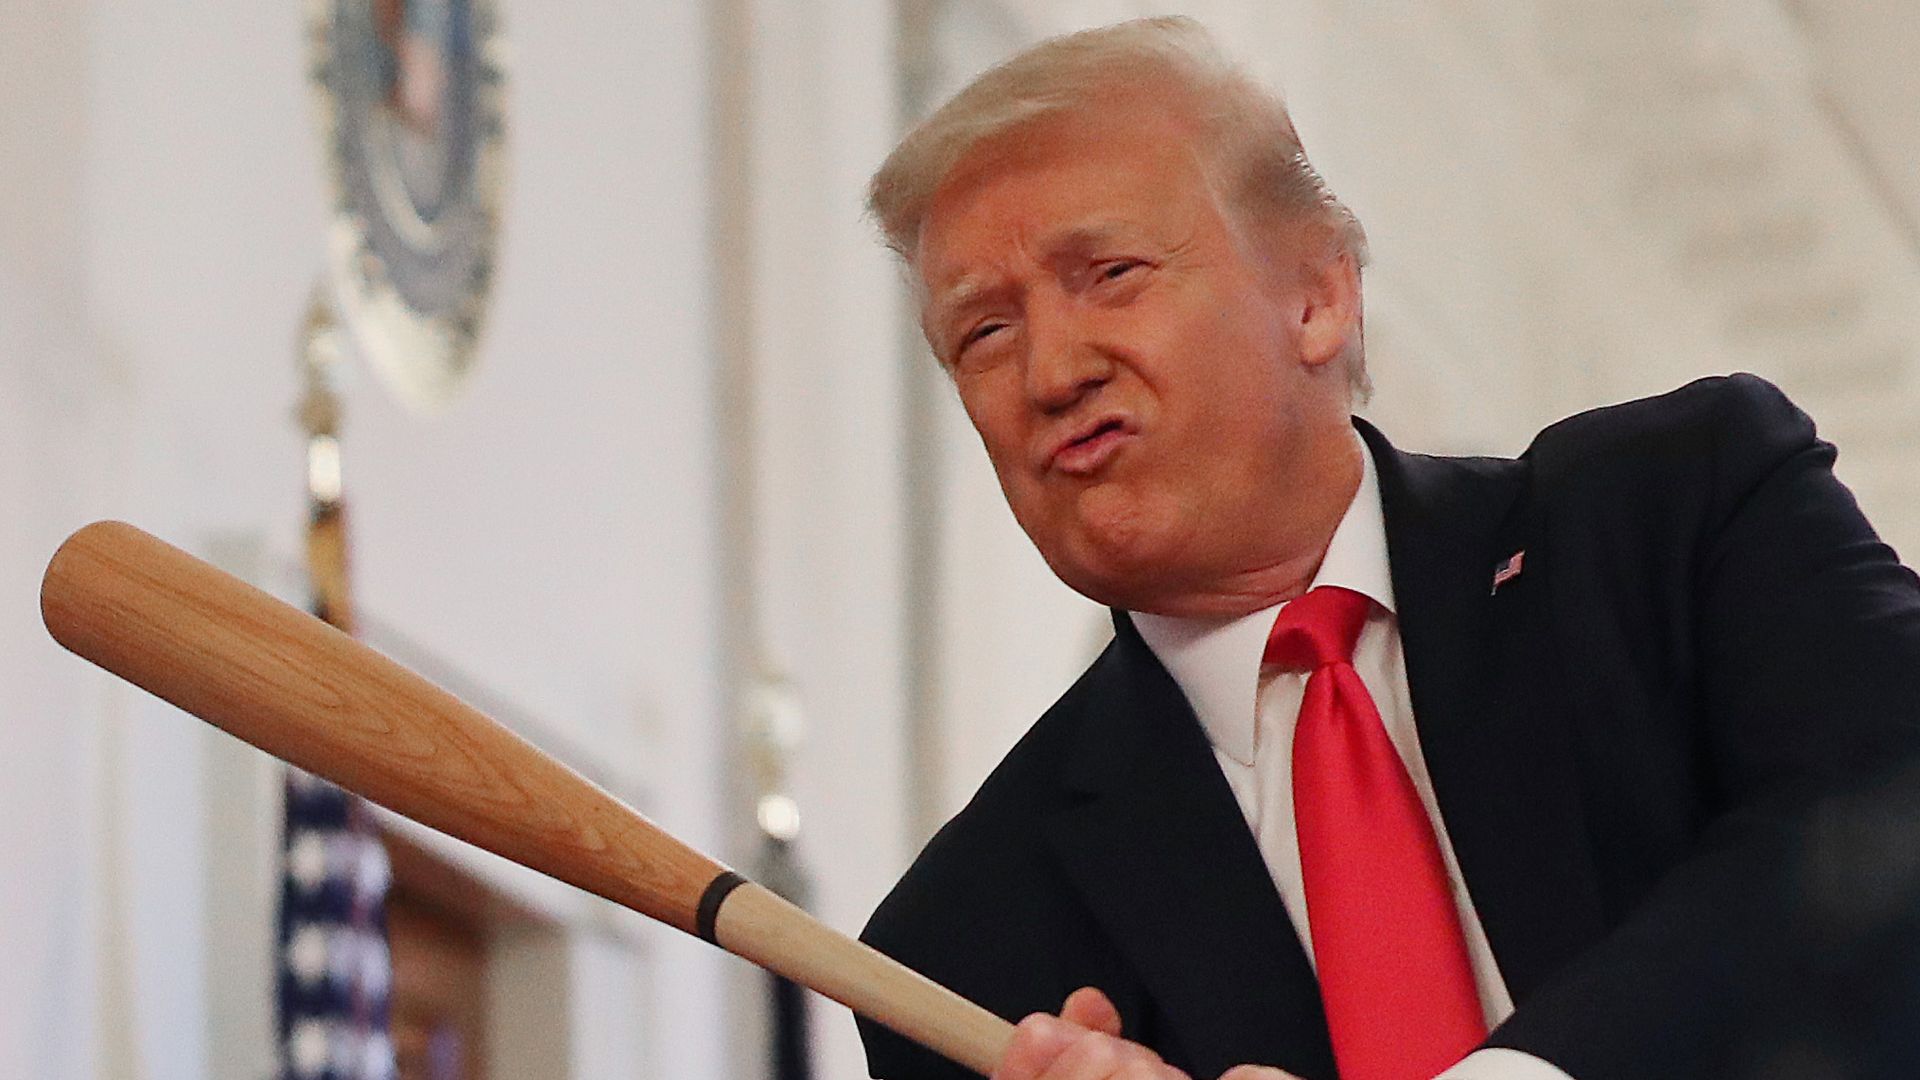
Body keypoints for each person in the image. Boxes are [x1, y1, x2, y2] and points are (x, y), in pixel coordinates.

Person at [856, 16, 1920, 1080]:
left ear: (1318, 295)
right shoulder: (961, 949)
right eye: (984, 334)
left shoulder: (1679, 517)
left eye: (1113, 272)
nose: (1050, 371)